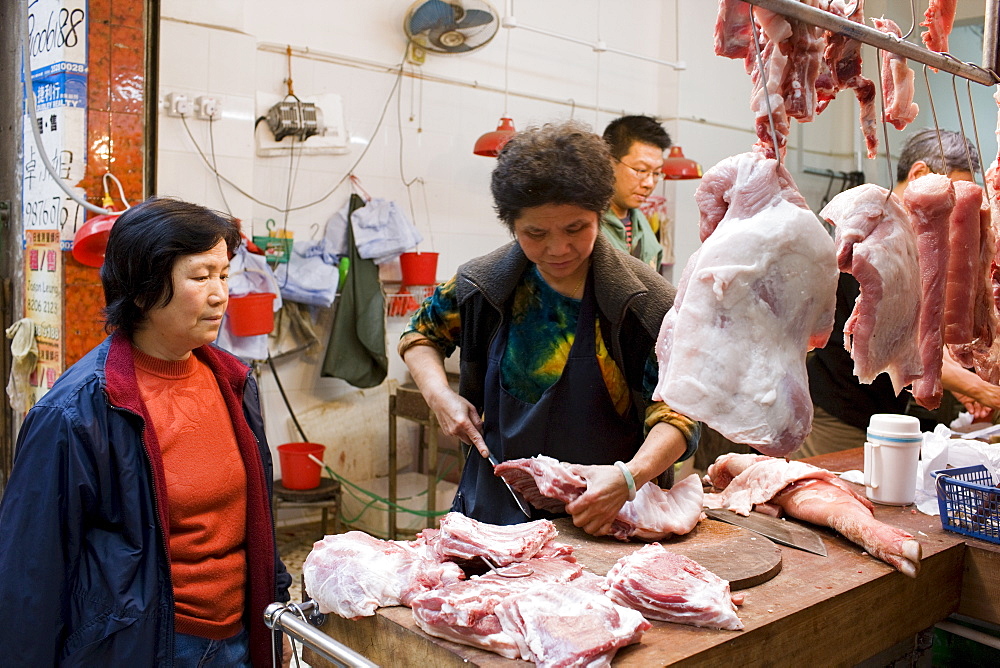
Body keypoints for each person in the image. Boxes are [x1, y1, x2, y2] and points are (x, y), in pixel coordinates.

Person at [0, 198, 292, 667]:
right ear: (142, 289)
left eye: (224, 274)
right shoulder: (78, 412)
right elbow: (30, 574)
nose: (221, 294)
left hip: (238, 637)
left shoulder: (233, 382)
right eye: (201, 277)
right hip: (143, 645)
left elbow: (253, 518)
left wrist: (275, 603)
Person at [398, 121, 699, 535]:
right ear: (512, 225)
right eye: (535, 233)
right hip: (492, 518)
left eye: (576, 228)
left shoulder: (646, 303)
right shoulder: (483, 284)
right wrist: (439, 396)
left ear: (600, 213)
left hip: (602, 518)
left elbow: (679, 415)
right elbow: (420, 335)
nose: (557, 248)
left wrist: (630, 477)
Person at [800, 128, 1000, 459]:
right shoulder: (871, 225)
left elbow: (918, 328)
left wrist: (962, 379)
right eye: (952, 194)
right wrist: (977, 388)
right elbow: (897, 342)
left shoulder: (916, 237)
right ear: (921, 173)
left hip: (882, 411)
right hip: (835, 416)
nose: (953, 210)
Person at [601, 115, 671, 269]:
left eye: (656, 173)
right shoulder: (587, 225)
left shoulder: (643, 228)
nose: (649, 183)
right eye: (641, 170)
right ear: (608, 161)